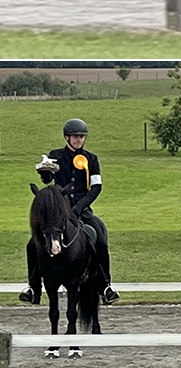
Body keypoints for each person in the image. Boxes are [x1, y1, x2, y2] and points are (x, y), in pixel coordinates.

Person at [20, 118, 120, 306]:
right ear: (67, 137)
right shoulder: (56, 155)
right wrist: (44, 173)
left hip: (82, 210)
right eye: (75, 136)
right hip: (58, 211)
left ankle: (106, 285)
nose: (78, 140)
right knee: (32, 244)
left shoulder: (91, 159)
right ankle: (33, 287)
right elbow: (47, 180)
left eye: (81, 137)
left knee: (99, 238)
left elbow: (96, 187)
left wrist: (78, 208)